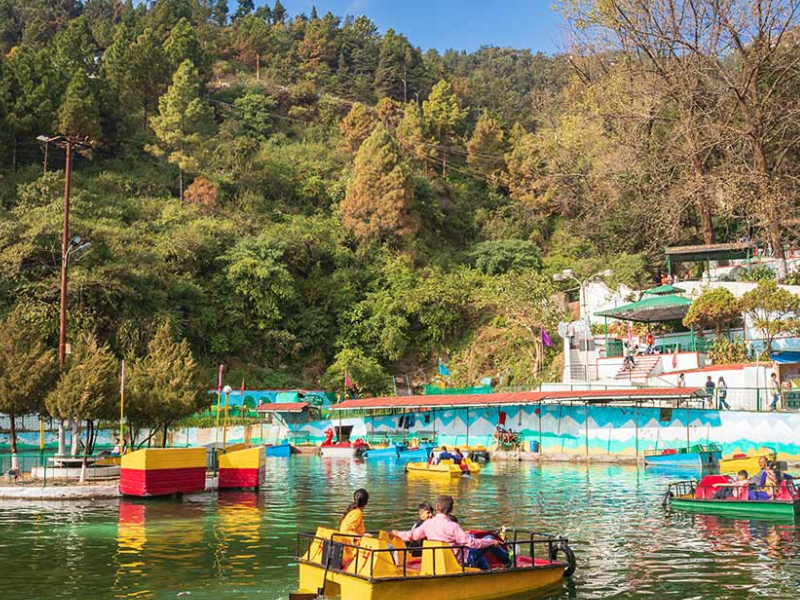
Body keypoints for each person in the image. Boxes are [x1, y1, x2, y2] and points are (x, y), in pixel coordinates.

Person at [391, 495, 510, 571]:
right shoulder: (453, 526)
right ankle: (508, 562)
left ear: (436, 507)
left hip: (437, 559)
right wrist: (491, 541)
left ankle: (485, 571)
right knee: (488, 539)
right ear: (451, 509)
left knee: (475, 541)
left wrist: (398, 533)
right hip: (459, 562)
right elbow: (472, 543)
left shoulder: (427, 524)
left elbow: (411, 535)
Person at [339, 489, 369, 562]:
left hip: (347, 546)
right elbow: (346, 531)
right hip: (352, 549)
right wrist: (361, 537)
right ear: (366, 502)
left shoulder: (352, 511)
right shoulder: (357, 513)